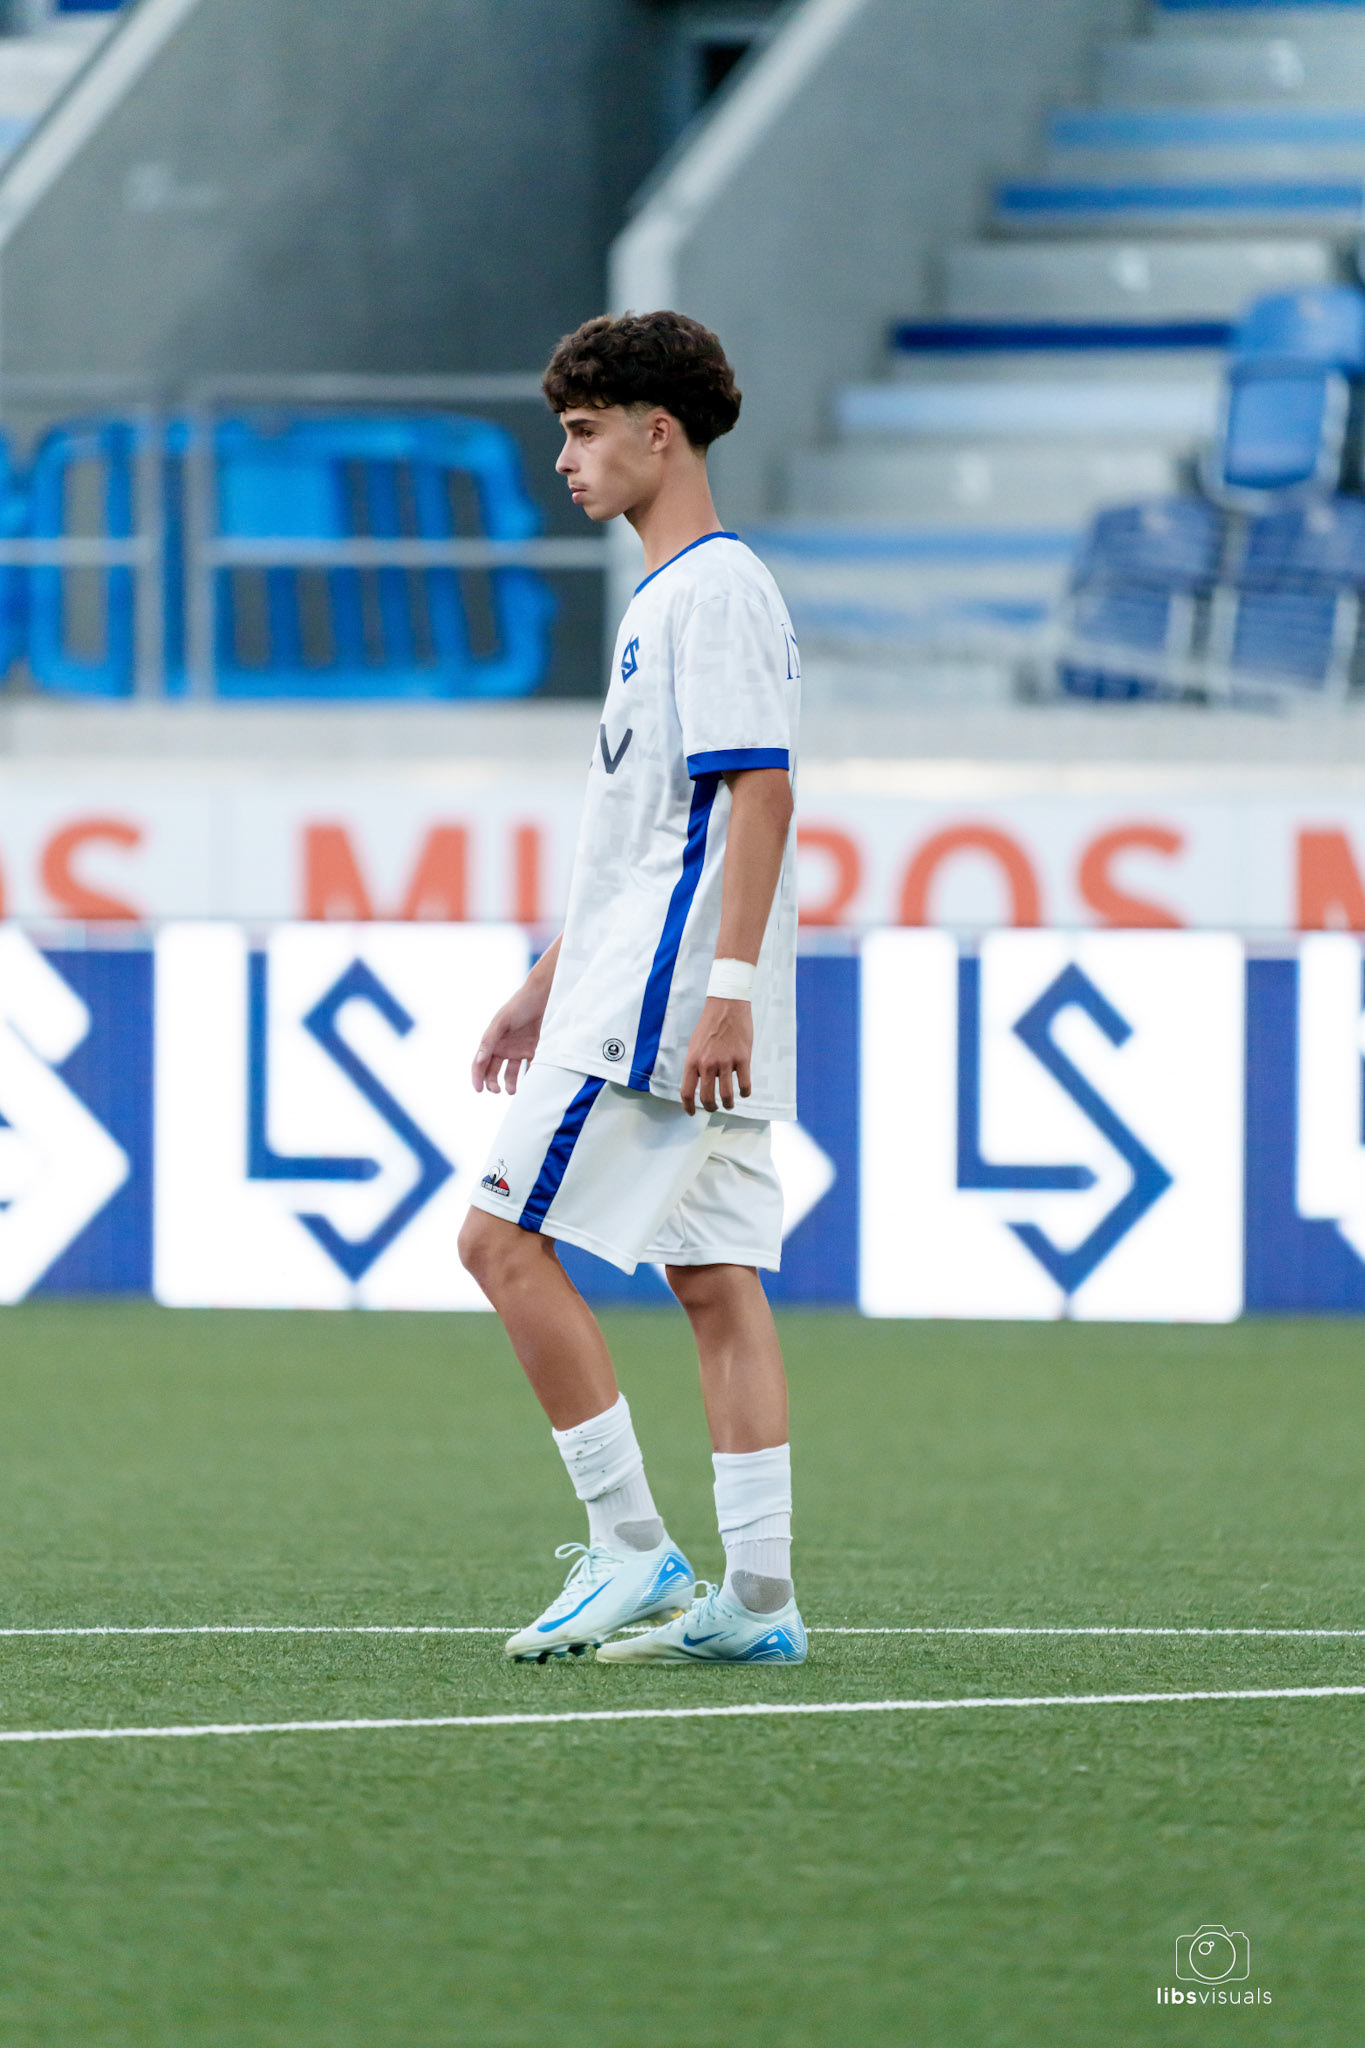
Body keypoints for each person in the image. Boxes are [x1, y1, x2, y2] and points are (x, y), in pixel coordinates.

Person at [458, 310, 803, 1667]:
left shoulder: (712, 592)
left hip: (664, 1009)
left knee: (498, 1243)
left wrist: (724, 991)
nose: (564, 459)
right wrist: (544, 982)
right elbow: (652, 841)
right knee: (714, 1280)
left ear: (660, 434)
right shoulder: (672, 598)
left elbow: (759, 794)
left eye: (584, 431)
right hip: (645, 989)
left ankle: (627, 1545)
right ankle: (758, 1602)